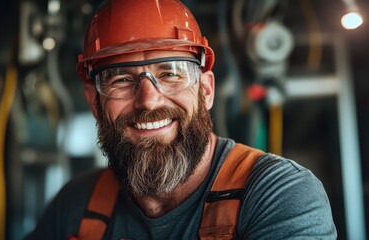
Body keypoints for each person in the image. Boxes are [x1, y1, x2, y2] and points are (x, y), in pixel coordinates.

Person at [27, 0, 337, 239]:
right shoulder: (77, 205)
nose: (148, 100)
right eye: (120, 79)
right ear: (94, 101)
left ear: (206, 89)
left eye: (171, 74)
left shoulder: (278, 195)